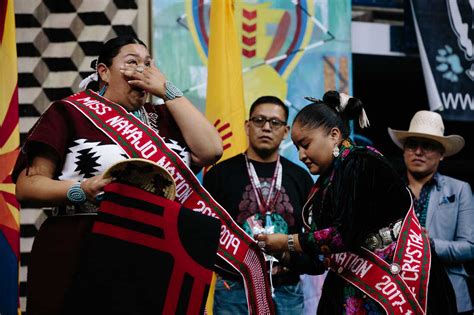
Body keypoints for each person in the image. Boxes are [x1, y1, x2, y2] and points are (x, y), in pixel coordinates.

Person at [13, 35, 223, 314]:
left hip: (153, 250)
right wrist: (81, 189)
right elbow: (27, 186)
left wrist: (167, 90)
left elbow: (211, 150)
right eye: (132, 63)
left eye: (148, 64)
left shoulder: (166, 118)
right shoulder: (71, 112)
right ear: (103, 72)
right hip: (82, 241)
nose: (142, 71)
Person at [257, 91, 458, 314]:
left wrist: (288, 242)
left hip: (396, 283)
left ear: (334, 135)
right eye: (296, 148)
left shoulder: (364, 163)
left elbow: (345, 235)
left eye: (305, 144)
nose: (301, 155)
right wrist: (282, 253)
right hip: (350, 286)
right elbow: (322, 259)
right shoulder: (324, 184)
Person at [203, 96, 314, 314]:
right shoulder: (219, 174)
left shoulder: (301, 178)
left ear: (285, 130)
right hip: (233, 287)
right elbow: (207, 235)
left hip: (287, 288)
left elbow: (311, 237)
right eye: (259, 120)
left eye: (275, 123)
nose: (266, 127)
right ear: (247, 125)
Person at [388, 110, 474, 314]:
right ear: (403, 150)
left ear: (442, 153)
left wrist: (430, 244)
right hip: (398, 295)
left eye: (427, 146)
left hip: (449, 294)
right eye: (412, 145)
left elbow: (470, 247)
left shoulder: (459, 189)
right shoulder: (389, 192)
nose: (418, 151)